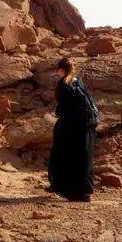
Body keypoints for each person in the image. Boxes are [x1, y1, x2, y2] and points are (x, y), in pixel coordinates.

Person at [48, 57, 98, 202]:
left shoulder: (63, 84)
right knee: (84, 157)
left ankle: (70, 190)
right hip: (88, 126)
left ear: (61, 70)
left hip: (71, 126)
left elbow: (62, 108)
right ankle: (85, 192)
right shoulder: (79, 82)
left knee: (66, 155)